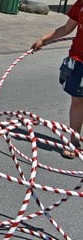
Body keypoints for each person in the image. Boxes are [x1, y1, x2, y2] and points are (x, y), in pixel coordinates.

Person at [31, 9, 83, 159]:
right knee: (77, 101)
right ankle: (74, 140)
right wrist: (43, 39)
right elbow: (67, 28)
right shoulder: (81, 4)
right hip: (78, 61)